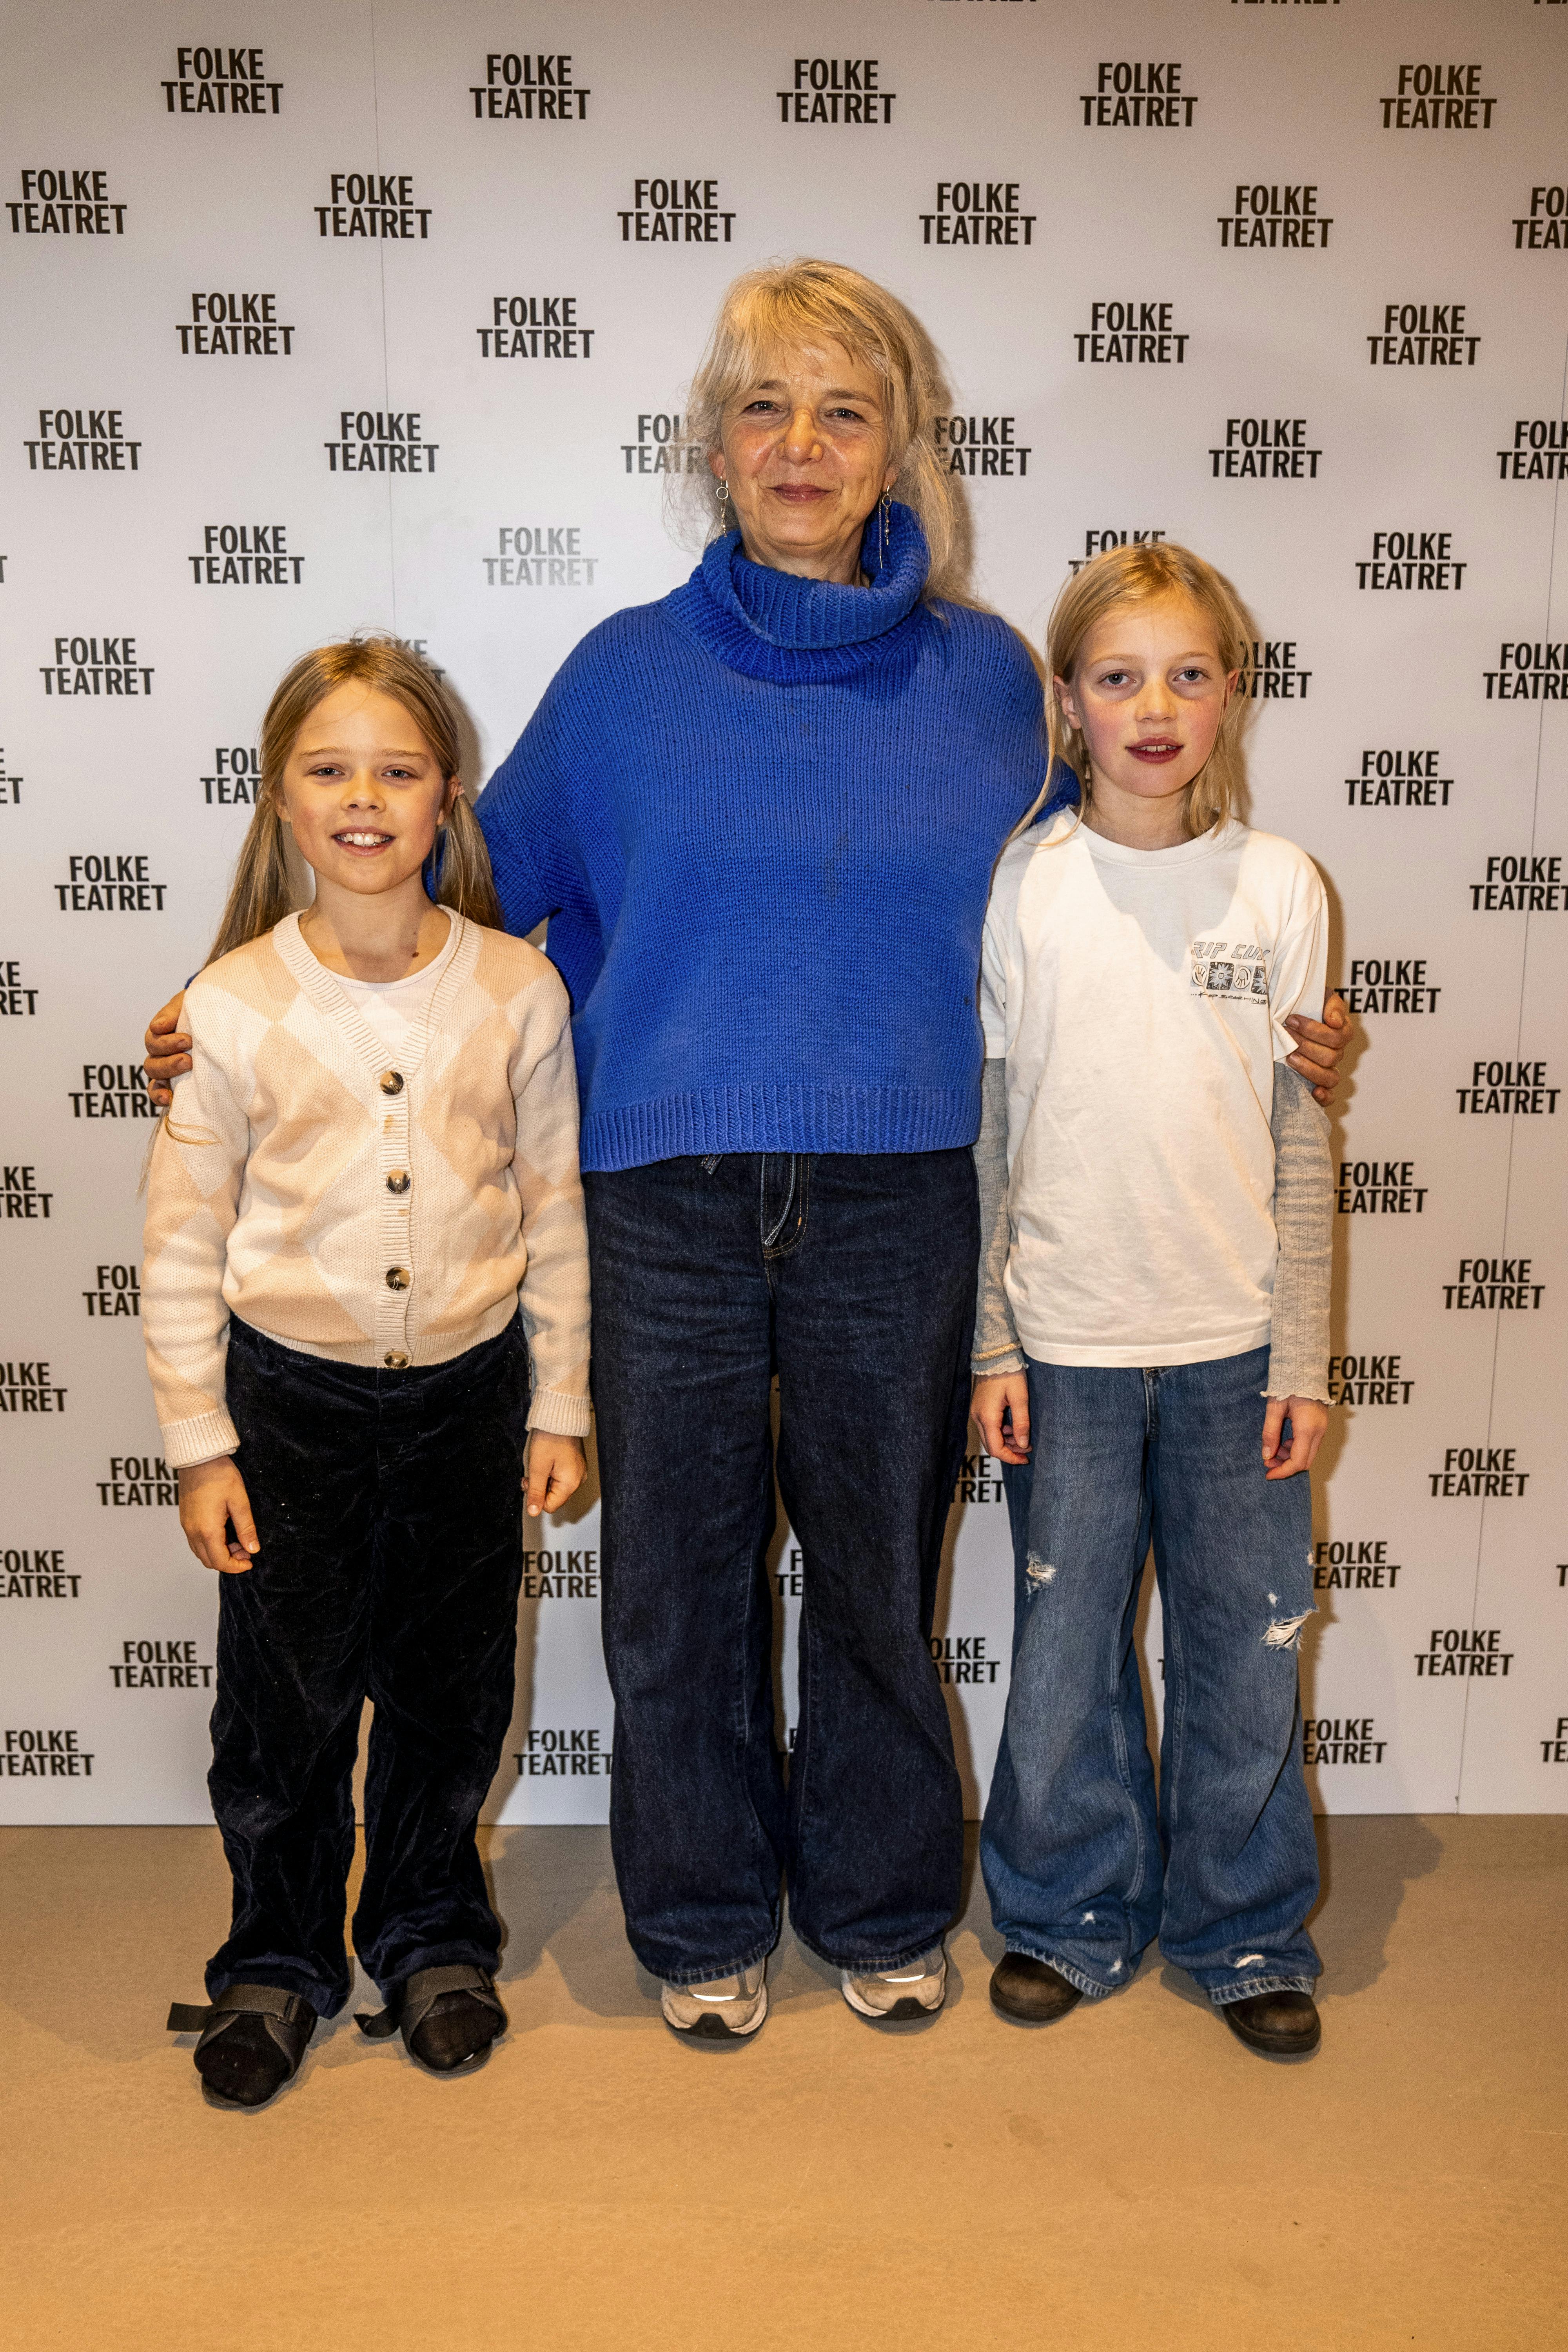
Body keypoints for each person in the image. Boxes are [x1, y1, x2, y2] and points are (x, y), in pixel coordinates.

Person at [143, 260, 1350, 2044]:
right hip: (662, 1206)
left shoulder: (989, 684)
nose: (802, 444)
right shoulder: (624, 680)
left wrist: (1285, 1040)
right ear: (713, 443)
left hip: (899, 1200)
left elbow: (1102, 900)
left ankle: (875, 1903)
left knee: (874, 1576)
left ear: (899, 452)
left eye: (844, 411)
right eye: (765, 407)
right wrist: (231, 1001)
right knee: (677, 1588)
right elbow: (449, 906)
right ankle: (700, 1915)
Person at [145, 638, 590, 2109]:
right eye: (330, 770)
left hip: (469, 1394)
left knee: (451, 1691)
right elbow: (183, 1238)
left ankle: (427, 1938)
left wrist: (559, 1403)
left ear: (447, 797)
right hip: (292, 1409)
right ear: (280, 799)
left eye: (399, 771)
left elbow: (553, 1212)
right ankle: (275, 1964)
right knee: (283, 1704)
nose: (365, 798)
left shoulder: (518, 990)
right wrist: (204, 1443)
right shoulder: (229, 1006)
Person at [969, 543, 1334, 2058]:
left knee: (1244, 1651)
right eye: (1119, 677)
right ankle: (1065, 1910)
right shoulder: (1027, 883)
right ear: (1069, 703)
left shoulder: (1282, 884)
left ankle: (1244, 1927)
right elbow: (995, 1133)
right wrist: (995, 1337)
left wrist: (1303, 1357)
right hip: (1067, 1347)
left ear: (1233, 694)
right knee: (1062, 1656)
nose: (1157, 705)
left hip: (1236, 1347)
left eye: (1191, 673)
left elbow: (1304, 1140)